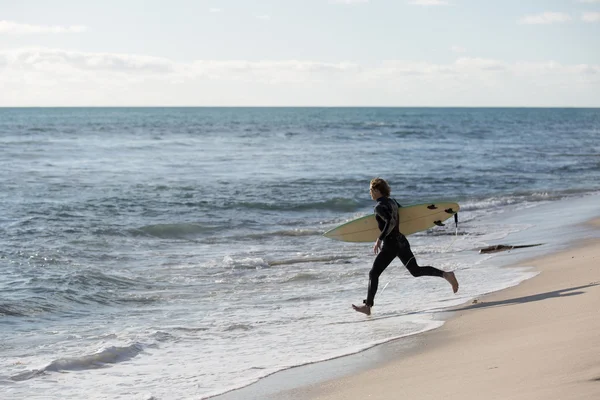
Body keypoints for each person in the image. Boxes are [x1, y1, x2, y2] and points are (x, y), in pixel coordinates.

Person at [352, 177, 459, 316]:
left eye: (371, 190)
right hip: (401, 241)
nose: (370, 193)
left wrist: (379, 238)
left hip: (391, 244)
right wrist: (432, 218)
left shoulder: (379, 207)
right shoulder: (393, 202)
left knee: (374, 273)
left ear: (377, 190)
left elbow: (390, 221)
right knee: (415, 270)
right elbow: (409, 216)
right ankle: (446, 274)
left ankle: (368, 306)